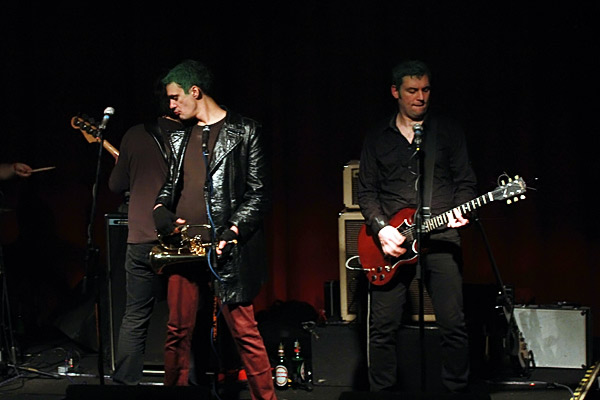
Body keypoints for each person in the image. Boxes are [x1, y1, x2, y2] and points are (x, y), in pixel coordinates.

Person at [152, 59, 275, 399]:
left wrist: (233, 230)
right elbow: (170, 186)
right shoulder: (179, 136)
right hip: (184, 247)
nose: (171, 105)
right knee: (177, 331)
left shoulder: (245, 130)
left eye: (175, 97)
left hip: (226, 249)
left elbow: (259, 193)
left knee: (245, 333)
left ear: (195, 91)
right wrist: (160, 210)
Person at [357, 60, 477, 393]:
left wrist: (461, 209)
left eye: (425, 89)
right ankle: (383, 392)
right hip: (392, 243)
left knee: (453, 324)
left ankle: (456, 390)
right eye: (412, 90)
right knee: (382, 327)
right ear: (395, 92)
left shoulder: (447, 132)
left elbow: (466, 181)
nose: (420, 97)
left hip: (442, 236)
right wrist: (382, 229)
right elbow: (366, 192)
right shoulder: (377, 136)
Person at [108, 101, 183, 385]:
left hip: (140, 236)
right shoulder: (192, 135)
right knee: (185, 317)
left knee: (135, 316)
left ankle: (125, 385)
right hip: (177, 238)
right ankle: (186, 384)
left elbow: (116, 185)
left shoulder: (134, 134)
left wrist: (126, 166)